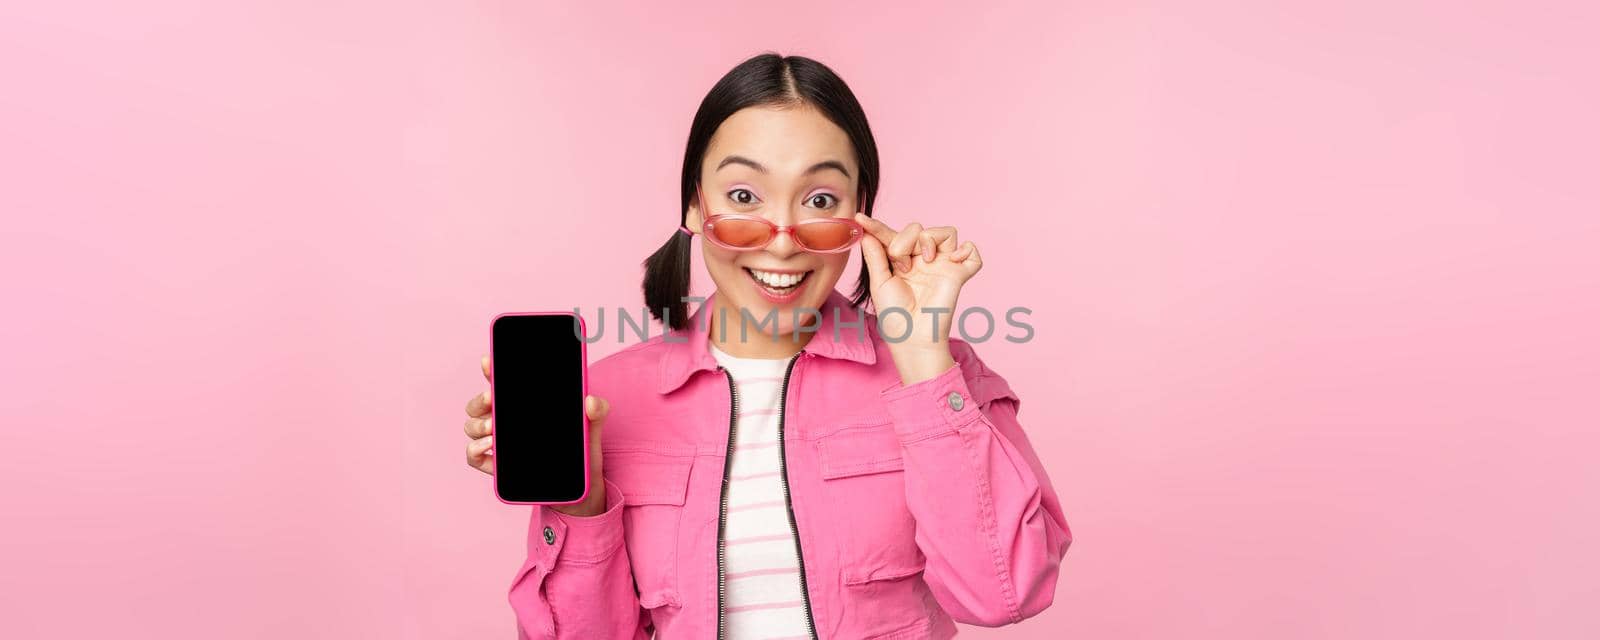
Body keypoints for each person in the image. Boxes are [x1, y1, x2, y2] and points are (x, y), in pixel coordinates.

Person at [462, 53, 1071, 639]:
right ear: (696, 206)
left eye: (821, 201)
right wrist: (581, 504)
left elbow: (1005, 595)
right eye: (744, 197)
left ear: (862, 216)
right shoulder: (605, 401)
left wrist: (922, 362)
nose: (782, 242)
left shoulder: (939, 375)